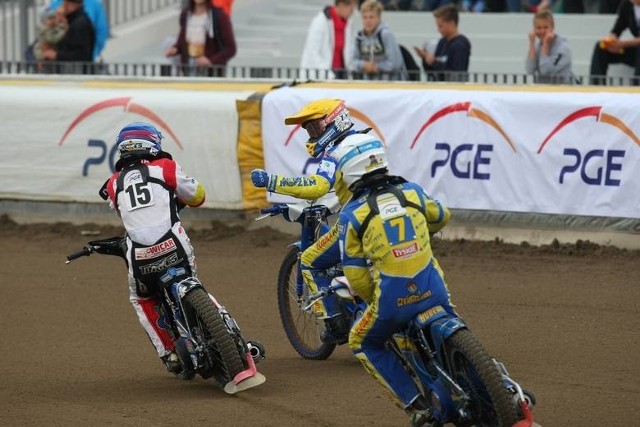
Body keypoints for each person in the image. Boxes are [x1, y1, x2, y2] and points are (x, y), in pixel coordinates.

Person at [330, 136, 454, 426]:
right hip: (434, 289)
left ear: (349, 171)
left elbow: (356, 275)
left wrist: (374, 299)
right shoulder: (411, 192)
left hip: (393, 300)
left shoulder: (351, 214)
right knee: (450, 312)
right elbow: (442, 216)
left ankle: (417, 408)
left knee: (361, 340)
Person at [251, 99, 375, 344]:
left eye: (315, 128)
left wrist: (272, 182)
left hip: (356, 223)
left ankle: (335, 324)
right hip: (388, 211)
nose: (313, 135)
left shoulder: (334, 152)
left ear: (334, 122)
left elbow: (318, 187)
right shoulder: (370, 141)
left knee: (308, 260)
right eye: (309, 130)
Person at [100, 122, 206, 374]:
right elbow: (198, 197)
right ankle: (219, 320)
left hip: (139, 256)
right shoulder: (166, 167)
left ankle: (168, 352)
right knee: (192, 280)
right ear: (153, 143)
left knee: (141, 297)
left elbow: (126, 215)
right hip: (174, 245)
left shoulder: (113, 183)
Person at [166, 0, 237, 77]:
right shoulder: (186, 14)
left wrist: (210, 61)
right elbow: (182, 40)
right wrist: (175, 49)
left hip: (211, 73)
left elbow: (231, 48)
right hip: (188, 67)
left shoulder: (220, 16)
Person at [299, 0, 358, 80]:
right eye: (351, 9)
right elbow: (313, 52)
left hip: (341, 74)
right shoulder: (320, 22)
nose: (352, 12)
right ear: (340, 5)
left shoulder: (349, 23)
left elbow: (348, 51)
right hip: (320, 75)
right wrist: (328, 74)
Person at [414, 4, 471, 82]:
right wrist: (425, 58)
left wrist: (434, 62)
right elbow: (432, 72)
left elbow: (456, 74)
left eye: (441, 26)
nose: (438, 30)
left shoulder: (460, 45)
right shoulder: (442, 42)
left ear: (452, 24)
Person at [352, 0, 407, 81]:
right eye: (365, 17)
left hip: (391, 84)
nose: (368, 21)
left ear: (379, 18)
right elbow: (353, 62)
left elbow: (395, 63)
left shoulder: (386, 35)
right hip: (369, 85)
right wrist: (364, 65)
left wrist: (376, 67)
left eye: (371, 17)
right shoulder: (359, 38)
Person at [589, 0, 640, 85]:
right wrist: (611, 41)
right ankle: (597, 85)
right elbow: (617, 29)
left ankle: (636, 87)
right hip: (634, 50)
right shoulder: (627, 5)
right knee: (601, 47)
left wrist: (623, 44)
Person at [42, 0, 95, 72]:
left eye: (63, 3)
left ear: (67, 4)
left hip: (75, 76)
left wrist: (56, 55)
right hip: (72, 74)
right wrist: (59, 21)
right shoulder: (74, 21)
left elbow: (83, 55)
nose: (61, 5)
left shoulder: (79, 24)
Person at [526, 10, 574, 84]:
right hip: (543, 92)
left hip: (562, 92)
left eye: (545, 27)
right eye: (538, 28)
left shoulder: (563, 48)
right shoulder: (537, 46)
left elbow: (546, 71)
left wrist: (545, 45)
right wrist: (532, 44)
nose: (542, 31)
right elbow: (530, 70)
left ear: (552, 27)